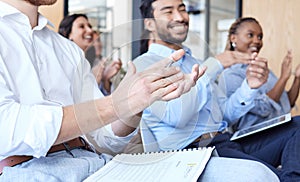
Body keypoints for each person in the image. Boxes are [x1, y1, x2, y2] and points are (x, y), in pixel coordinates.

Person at [0, 0, 202, 181]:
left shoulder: (67, 50)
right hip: (27, 169)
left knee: (224, 172)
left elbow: (105, 138)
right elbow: (8, 129)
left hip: (96, 162)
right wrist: (118, 103)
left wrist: (138, 103)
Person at [135, 0, 300, 181]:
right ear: (149, 24)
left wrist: (250, 86)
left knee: (297, 125)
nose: (180, 17)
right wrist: (214, 65)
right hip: (193, 152)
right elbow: (176, 117)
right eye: (168, 11)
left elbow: (224, 114)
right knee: (269, 176)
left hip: (225, 141)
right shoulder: (144, 65)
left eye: (182, 9)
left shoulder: (194, 62)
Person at [218, 17, 300, 130]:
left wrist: (297, 78)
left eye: (260, 37)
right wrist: (283, 78)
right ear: (233, 38)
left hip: (276, 131)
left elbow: (286, 104)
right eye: (250, 35)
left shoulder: (264, 71)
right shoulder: (230, 74)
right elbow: (264, 108)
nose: (257, 41)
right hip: (251, 139)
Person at [59, 13, 122, 95]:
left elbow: (103, 103)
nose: (90, 30)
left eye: (90, 26)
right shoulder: (62, 64)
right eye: (81, 26)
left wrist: (105, 79)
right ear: (67, 34)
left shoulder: (87, 64)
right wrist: (93, 81)